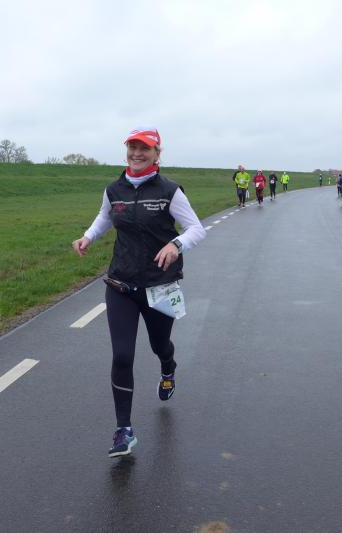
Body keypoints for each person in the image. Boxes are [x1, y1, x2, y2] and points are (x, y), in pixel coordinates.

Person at [72, 127, 206, 458]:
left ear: (157, 153)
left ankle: (168, 366)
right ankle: (124, 430)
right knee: (122, 355)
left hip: (160, 286)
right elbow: (105, 217)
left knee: (159, 344)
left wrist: (176, 245)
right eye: (132, 147)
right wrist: (88, 236)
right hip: (122, 285)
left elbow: (196, 229)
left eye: (144, 148)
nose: (137, 153)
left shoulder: (170, 191)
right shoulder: (114, 189)